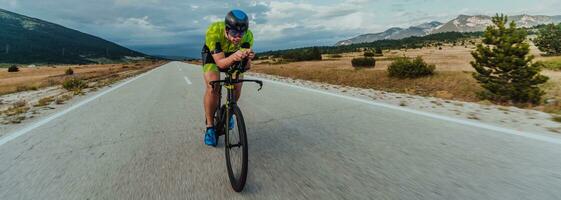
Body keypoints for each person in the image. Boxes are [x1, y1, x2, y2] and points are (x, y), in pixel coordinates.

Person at [201, 9, 255, 147]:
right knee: (213, 87)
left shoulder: (248, 36)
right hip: (214, 56)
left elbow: (247, 67)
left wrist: (248, 60)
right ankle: (210, 127)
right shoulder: (214, 31)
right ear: (226, 29)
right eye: (233, 33)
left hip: (234, 53)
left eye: (241, 33)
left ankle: (229, 112)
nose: (237, 37)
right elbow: (220, 64)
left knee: (237, 86)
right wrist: (233, 57)